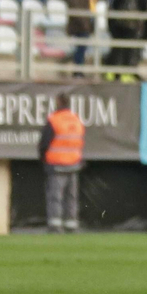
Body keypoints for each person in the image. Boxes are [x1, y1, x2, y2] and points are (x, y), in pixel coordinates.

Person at [38, 93, 85, 233]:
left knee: (55, 196)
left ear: (58, 102)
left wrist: (43, 158)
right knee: (71, 197)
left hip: (57, 163)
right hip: (74, 164)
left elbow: (44, 143)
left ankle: (55, 225)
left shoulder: (54, 120)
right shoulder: (76, 119)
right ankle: (72, 225)